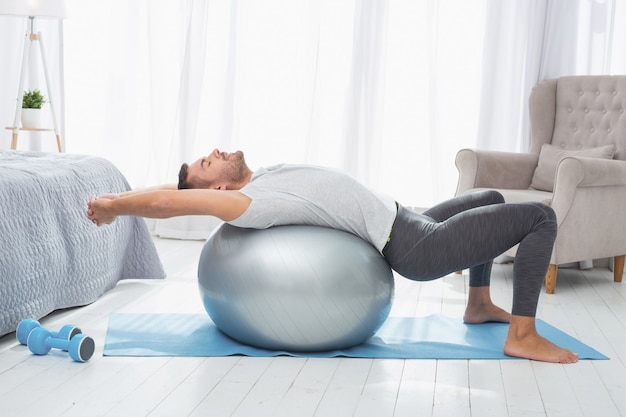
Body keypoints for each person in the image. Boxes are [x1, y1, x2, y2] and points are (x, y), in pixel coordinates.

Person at [87, 148, 579, 364]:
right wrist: (113, 207)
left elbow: (170, 189)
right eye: (206, 160)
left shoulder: (263, 176)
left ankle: (477, 304)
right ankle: (522, 334)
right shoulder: (245, 203)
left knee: (491, 197)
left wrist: (119, 197)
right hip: (413, 246)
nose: (215, 150)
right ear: (216, 187)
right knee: (540, 218)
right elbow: (172, 200)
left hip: (410, 218)